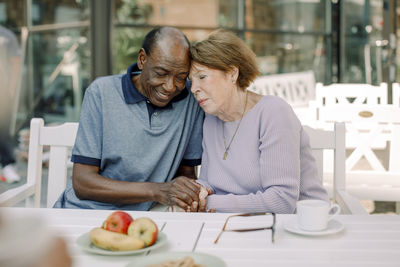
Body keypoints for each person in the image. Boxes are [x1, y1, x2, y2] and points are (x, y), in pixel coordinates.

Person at [54, 27, 205, 211]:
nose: (170, 86)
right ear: (142, 59)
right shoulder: (101, 92)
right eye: (161, 73)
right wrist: (156, 190)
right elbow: (82, 183)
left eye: (180, 77)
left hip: (146, 220)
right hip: (84, 212)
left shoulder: (191, 98)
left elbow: (185, 174)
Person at [189, 29, 328, 213]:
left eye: (202, 77)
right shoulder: (211, 120)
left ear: (232, 73)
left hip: (298, 226)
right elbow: (209, 181)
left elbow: (282, 201)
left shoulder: (274, 113)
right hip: (237, 225)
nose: (194, 89)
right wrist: (197, 193)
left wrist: (210, 204)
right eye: (191, 81)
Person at [0, 25, 21, 183]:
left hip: (2, 91)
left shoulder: (6, 35)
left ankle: (7, 165)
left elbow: (15, 63)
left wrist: (12, 89)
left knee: (3, 130)